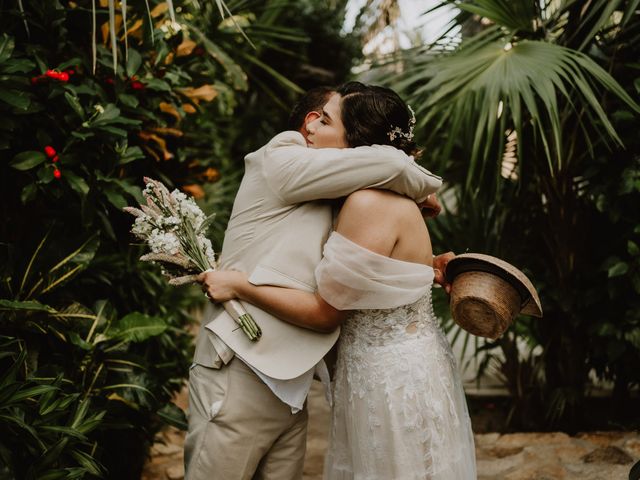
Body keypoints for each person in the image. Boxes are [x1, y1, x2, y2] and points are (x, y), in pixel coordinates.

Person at [201, 82, 477, 479]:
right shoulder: (297, 162)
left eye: (327, 121)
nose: (310, 127)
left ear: (357, 145)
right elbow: (377, 258)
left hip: (378, 377)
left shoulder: (365, 200)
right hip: (264, 362)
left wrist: (240, 284)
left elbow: (326, 311)